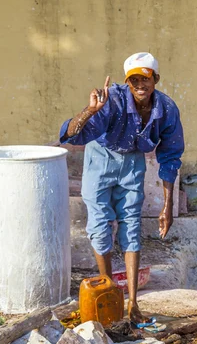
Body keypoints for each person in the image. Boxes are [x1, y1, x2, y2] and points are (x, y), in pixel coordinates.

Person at [59, 52, 184, 324]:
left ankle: (133, 303)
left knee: (131, 224)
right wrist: (90, 110)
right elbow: (72, 134)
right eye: (133, 80)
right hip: (101, 159)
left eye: (145, 79)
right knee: (100, 223)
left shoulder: (166, 109)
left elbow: (171, 157)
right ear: (127, 82)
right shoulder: (111, 100)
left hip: (133, 162)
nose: (140, 84)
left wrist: (167, 206)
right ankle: (107, 293)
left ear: (156, 80)